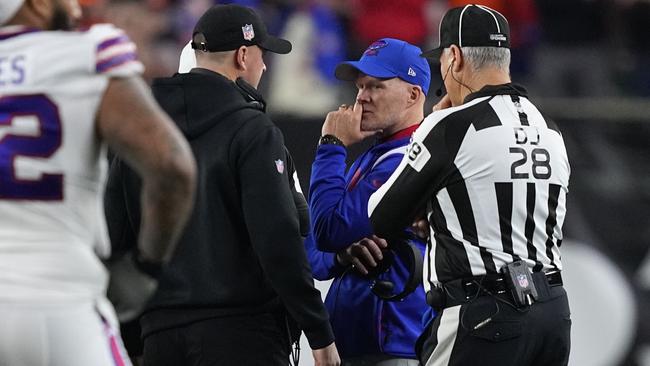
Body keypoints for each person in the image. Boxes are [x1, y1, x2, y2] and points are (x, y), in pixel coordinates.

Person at [104, 4, 340, 366]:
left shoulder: (144, 129)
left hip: (160, 337)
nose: (264, 67)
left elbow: (116, 236)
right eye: (263, 56)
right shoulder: (252, 130)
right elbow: (277, 238)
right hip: (241, 334)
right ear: (244, 55)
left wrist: (133, 337)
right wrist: (318, 330)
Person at [368, 4, 571, 366]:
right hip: (552, 312)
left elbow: (380, 216)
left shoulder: (452, 125)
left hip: (484, 313)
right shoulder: (550, 128)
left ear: (455, 57)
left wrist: (430, 129)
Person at [0, 0, 197, 365]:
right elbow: (171, 166)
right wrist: (146, 266)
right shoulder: (85, 54)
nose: (75, 8)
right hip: (58, 300)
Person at [306, 38, 431, 365]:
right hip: (361, 346)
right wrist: (343, 255)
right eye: (361, 86)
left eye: (376, 86)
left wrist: (331, 145)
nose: (362, 96)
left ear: (413, 94)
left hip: (395, 345)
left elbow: (327, 231)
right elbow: (313, 253)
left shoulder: (410, 159)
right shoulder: (375, 157)